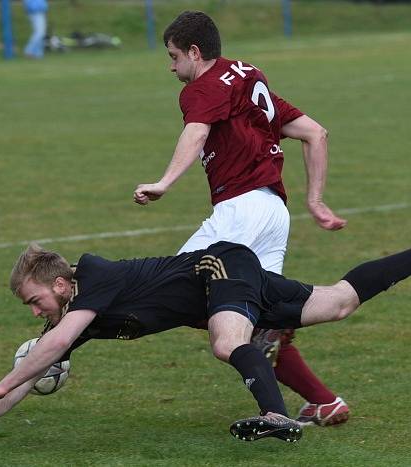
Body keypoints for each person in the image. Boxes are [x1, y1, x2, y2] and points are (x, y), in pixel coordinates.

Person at [0, 227, 411, 443]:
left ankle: (278, 414)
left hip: (218, 267)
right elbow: (44, 358)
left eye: (34, 300)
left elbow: (50, 349)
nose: (34, 311)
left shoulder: (94, 277)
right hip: (233, 277)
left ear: (61, 282)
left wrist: (0, 382)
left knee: (224, 339)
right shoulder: (74, 316)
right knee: (337, 303)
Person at [133, 11, 349, 426]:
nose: (171, 66)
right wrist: (316, 201)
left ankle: (63, 343)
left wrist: (164, 182)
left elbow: (196, 133)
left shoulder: (202, 86)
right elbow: (315, 133)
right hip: (273, 212)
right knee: (250, 312)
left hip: (240, 213)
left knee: (179, 290)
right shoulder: (247, 75)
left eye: (174, 56)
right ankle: (323, 401)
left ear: (195, 53)